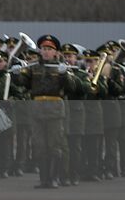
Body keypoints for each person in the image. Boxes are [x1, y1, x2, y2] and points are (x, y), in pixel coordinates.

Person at [11, 34, 83, 189]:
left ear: (56, 52)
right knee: (39, 145)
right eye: (43, 48)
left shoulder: (61, 67)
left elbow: (72, 88)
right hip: (37, 108)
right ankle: (44, 179)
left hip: (55, 108)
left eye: (49, 49)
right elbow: (23, 84)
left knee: (54, 145)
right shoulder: (34, 67)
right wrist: (16, 74)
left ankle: (54, 178)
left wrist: (64, 75)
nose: (45, 52)